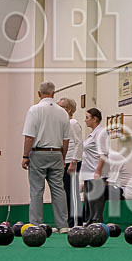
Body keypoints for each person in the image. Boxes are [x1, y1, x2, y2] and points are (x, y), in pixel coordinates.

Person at [21, 81, 71, 232]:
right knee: (58, 189)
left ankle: (37, 225)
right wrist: (62, 157)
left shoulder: (34, 110)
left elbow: (29, 137)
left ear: (39, 94)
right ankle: (62, 225)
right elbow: (66, 140)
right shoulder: (63, 112)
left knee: (37, 190)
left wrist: (25, 156)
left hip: (38, 153)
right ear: (54, 94)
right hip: (56, 153)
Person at [58, 97, 84, 227]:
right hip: (65, 162)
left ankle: (76, 222)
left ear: (68, 109)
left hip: (72, 162)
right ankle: (69, 222)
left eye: (60, 106)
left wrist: (74, 161)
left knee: (72, 192)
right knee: (65, 193)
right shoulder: (63, 124)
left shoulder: (73, 123)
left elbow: (79, 143)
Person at [81, 108, 109, 224]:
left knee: (96, 205)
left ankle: (97, 227)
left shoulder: (101, 133)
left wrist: (98, 171)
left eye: (87, 118)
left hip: (96, 174)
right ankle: (89, 226)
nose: (85, 120)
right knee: (89, 205)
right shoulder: (92, 135)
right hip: (88, 174)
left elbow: (103, 154)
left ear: (95, 119)